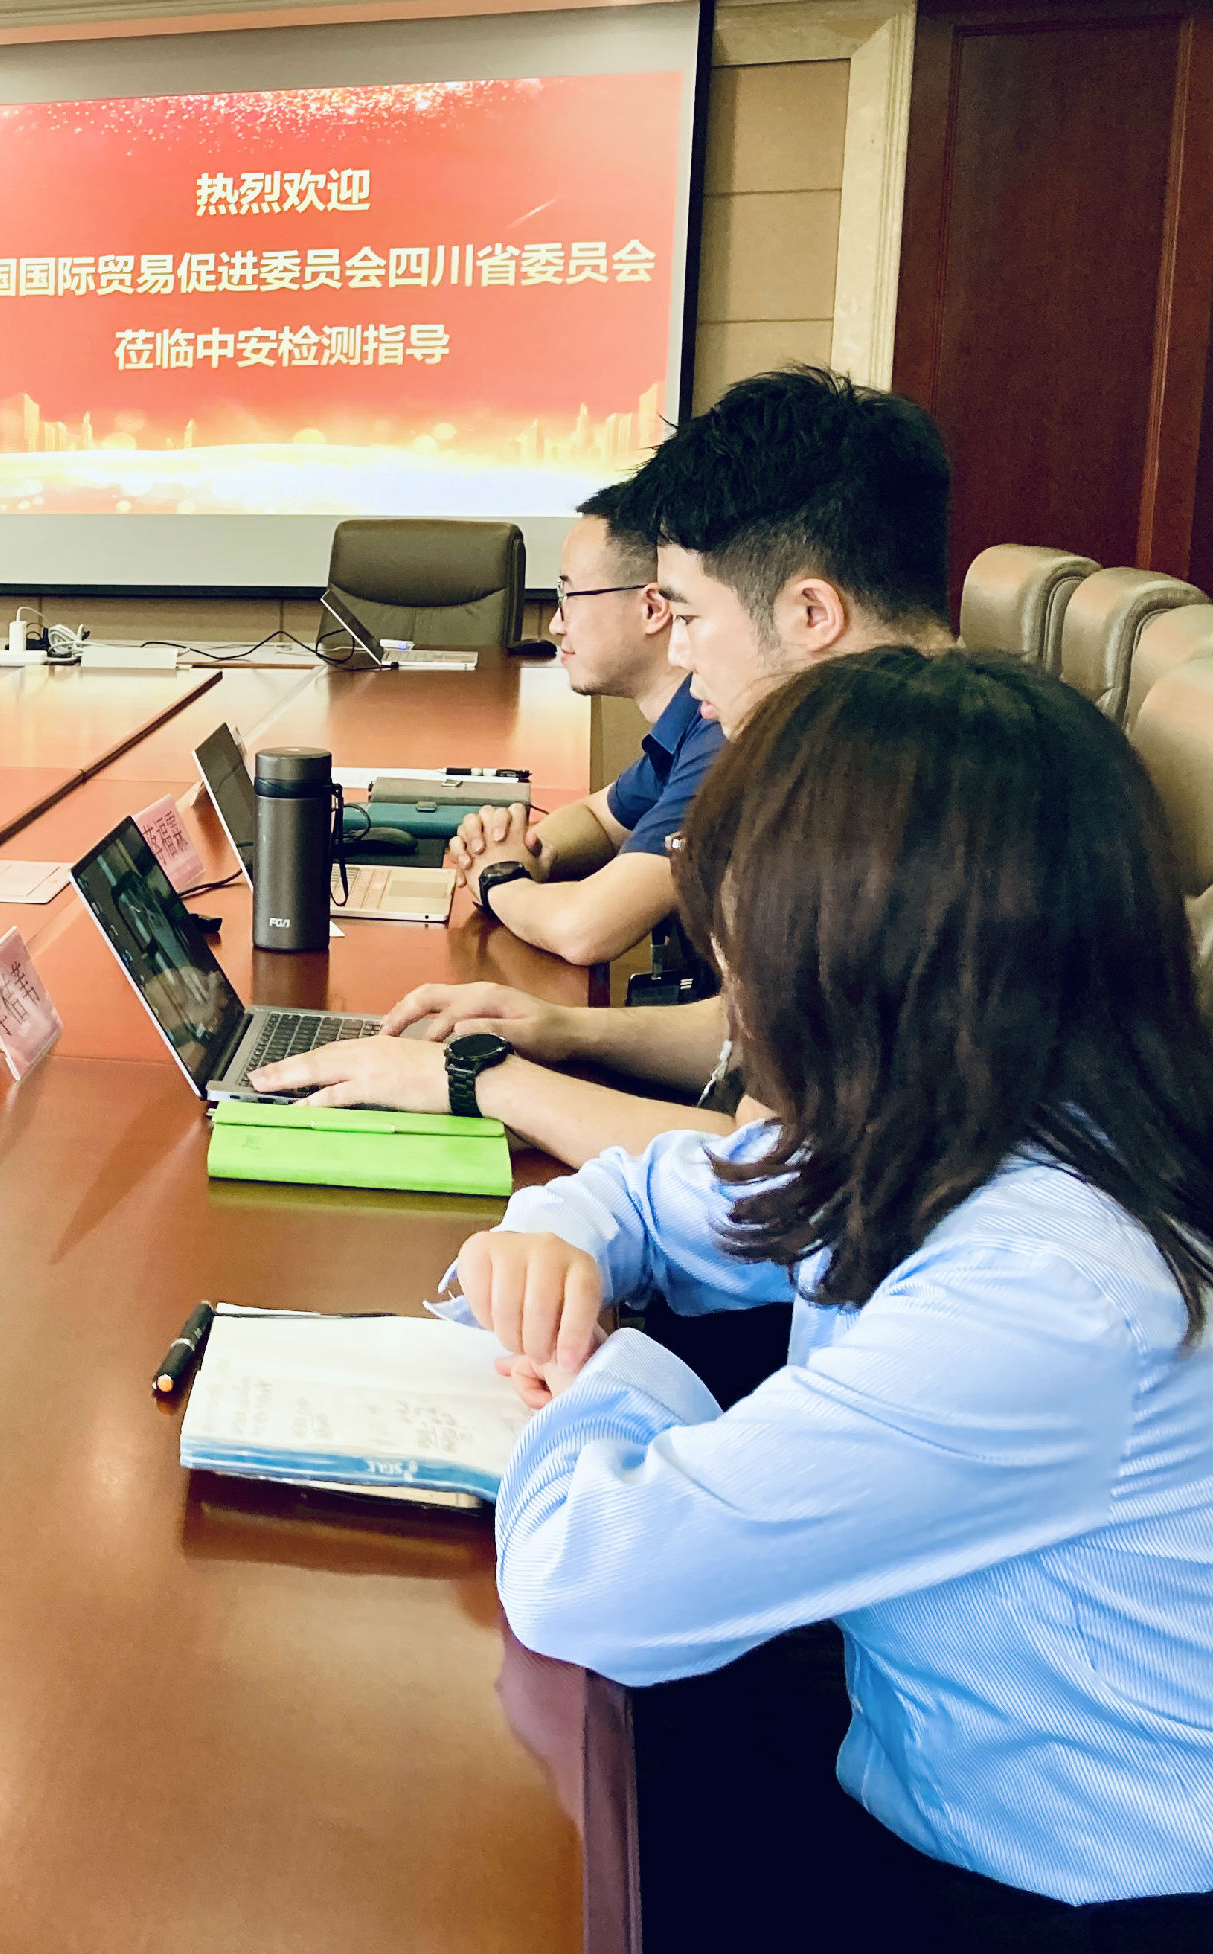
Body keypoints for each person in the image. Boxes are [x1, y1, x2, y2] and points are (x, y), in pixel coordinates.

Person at [452, 650, 1213, 1945]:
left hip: (1059, 1898)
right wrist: (557, 1239)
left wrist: (602, 1365)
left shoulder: (1044, 1295)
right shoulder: (986, 1117)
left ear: (856, 962)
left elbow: (590, 1580)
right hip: (923, 1767)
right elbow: (669, 1194)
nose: (731, 994)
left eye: (742, 946)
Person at [255, 368, 957, 1167]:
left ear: (811, 614)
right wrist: (566, 1029)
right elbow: (761, 1037)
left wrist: (479, 1082)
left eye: (688, 615)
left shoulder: (903, 815)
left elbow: (768, 1174)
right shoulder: (898, 747)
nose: (679, 654)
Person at [441, 481, 716, 967]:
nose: (555, 623)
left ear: (653, 608)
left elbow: (585, 930)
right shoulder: (689, 721)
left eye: (569, 595)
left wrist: (499, 878)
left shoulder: (721, 735)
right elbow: (600, 819)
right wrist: (529, 852)